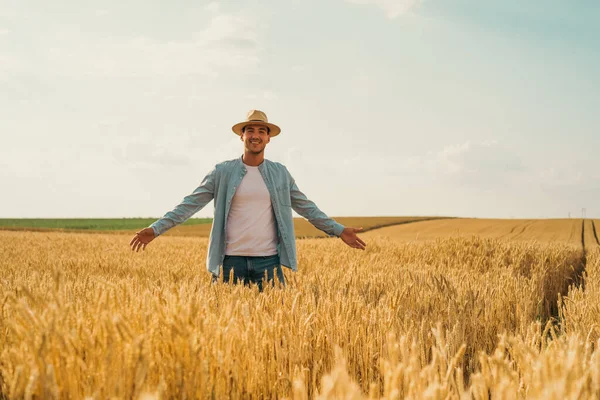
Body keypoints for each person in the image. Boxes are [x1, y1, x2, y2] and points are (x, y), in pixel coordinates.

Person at [129, 110, 366, 290]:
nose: (256, 136)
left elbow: (307, 208)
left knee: (275, 334)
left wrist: (338, 230)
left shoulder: (280, 174)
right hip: (230, 263)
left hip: (269, 264)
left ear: (268, 138)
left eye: (262, 131)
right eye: (250, 130)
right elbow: (189, 205)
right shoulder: (222, 172)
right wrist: (155, 229)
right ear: (241, 135)